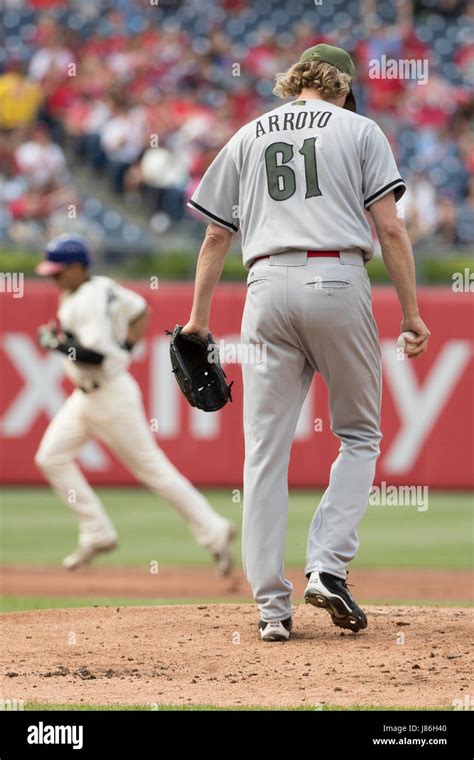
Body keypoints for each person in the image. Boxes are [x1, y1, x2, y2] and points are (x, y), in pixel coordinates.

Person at [181, 44, 430, 641]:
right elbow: (390, 225)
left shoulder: (249, 134)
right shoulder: (360, 128)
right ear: (343, 85)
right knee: (361, 433)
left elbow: (217, 235)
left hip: (264, 284)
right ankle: (327, 566)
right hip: (337, 278)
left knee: (264, 452)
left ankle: (271, 610)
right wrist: (413, 314)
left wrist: (197, 319)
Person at [35, 234, 235, 573]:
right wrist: (126, 347)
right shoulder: (101, 286)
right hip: (85, 398)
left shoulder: (85, 300)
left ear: (79, 266)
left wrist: (55, 344)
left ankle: (213, 530)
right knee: (50, 457)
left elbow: (96, 355)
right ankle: (97, 531)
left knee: (153, 470)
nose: (53, 277)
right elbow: (141, 310)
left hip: (110, 396)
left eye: (59, 270)